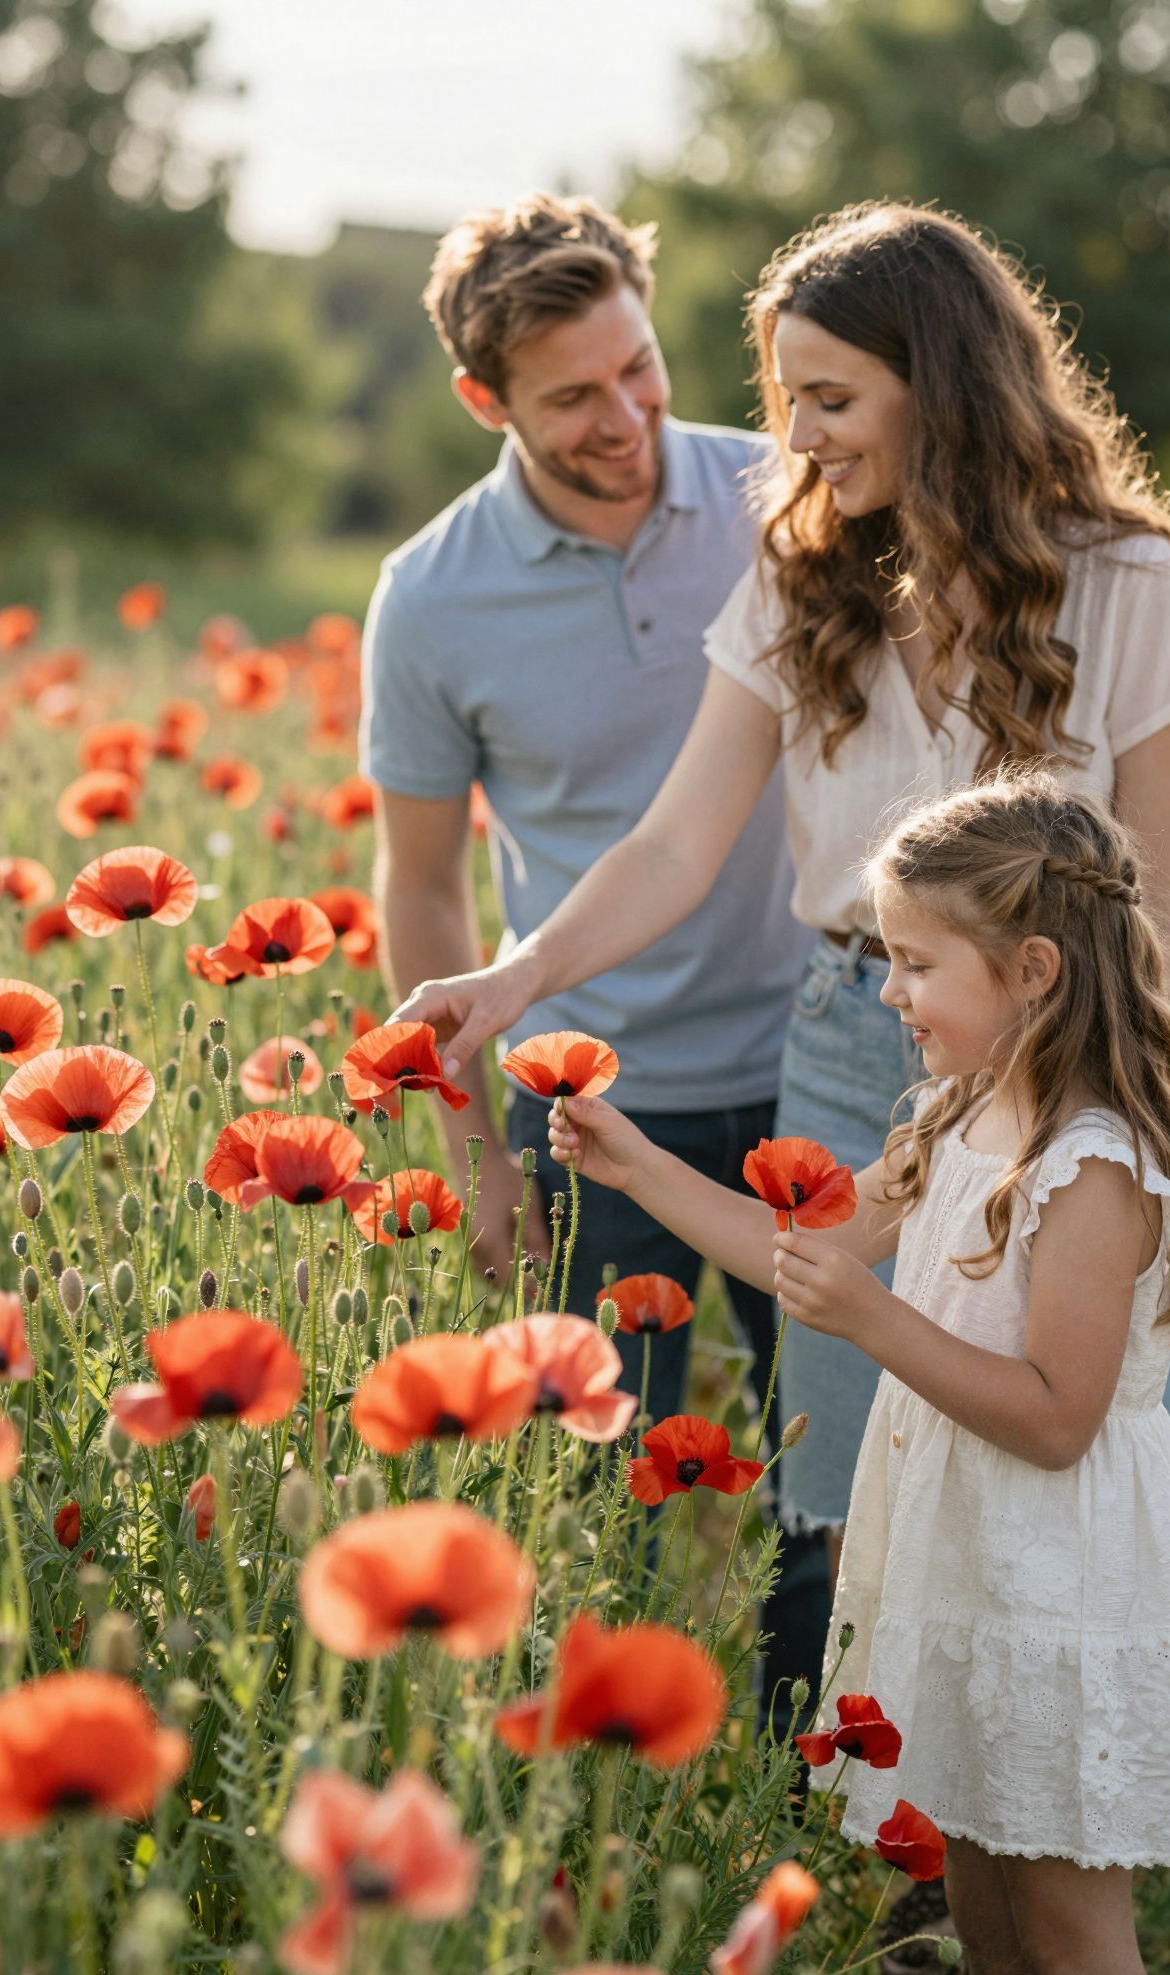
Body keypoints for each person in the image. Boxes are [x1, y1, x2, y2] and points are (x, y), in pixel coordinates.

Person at [392, 198, 1170, 1571]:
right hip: (857, 1043)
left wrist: (1154, 1133)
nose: (796, 439)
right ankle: (831, 1790)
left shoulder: (1127, 580)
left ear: (943, 386)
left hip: (1074, 1064)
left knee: (1053, 1497)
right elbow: (674, 843)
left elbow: (1165, 911)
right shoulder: (803, 577)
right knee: (835, 1508)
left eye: (832, 398)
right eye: (787, 401)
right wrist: (519, 975)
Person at [548, 774, 1170, 1975]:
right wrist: (635, 1157)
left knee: (1072, 1942)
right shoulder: (963, 1113)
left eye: (916, 963)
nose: (888, 992)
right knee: (982, 1921)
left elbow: (1055, 1418)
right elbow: (797, 1247)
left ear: (1032, 969)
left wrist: (876, 1323)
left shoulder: (1092, 1166)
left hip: (1060, 1586)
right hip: (963, 1563)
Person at [359, 193, 820, 1722]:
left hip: (823, 1069)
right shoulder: (432, 597)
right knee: (586, 1494)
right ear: (485, 402)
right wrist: (474, 1151)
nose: (627, 415)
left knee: (833, 1477)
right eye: (574, 395)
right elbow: (420, 890)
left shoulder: (786, 497)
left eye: (642, 367)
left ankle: (826, 1799)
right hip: (585, 1106)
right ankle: (615, 1828)